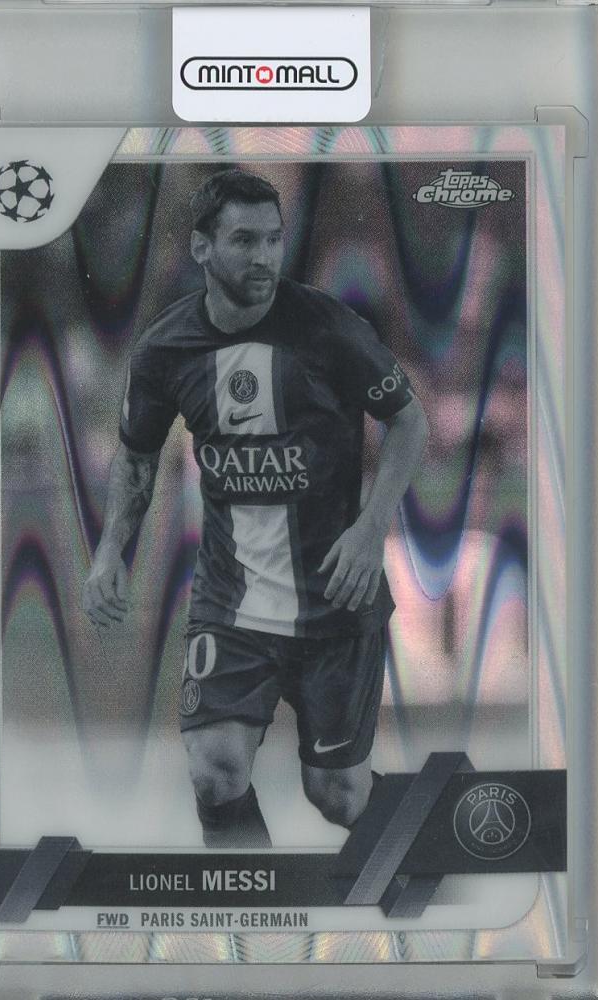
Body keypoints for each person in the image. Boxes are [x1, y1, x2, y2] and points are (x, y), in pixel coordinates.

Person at [83, 169, 428, 849]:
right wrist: (109, 551)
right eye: (244, 240)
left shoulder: (330, 329)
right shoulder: (164, 349)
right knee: (215, 770)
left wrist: (370, 531)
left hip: (335, 600)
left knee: (337, 795)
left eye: (273, 239)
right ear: (201, 247)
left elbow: (409, 420)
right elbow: (136, 456)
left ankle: (433, 840)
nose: (264, 256)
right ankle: (248, 895)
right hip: (230, 603)